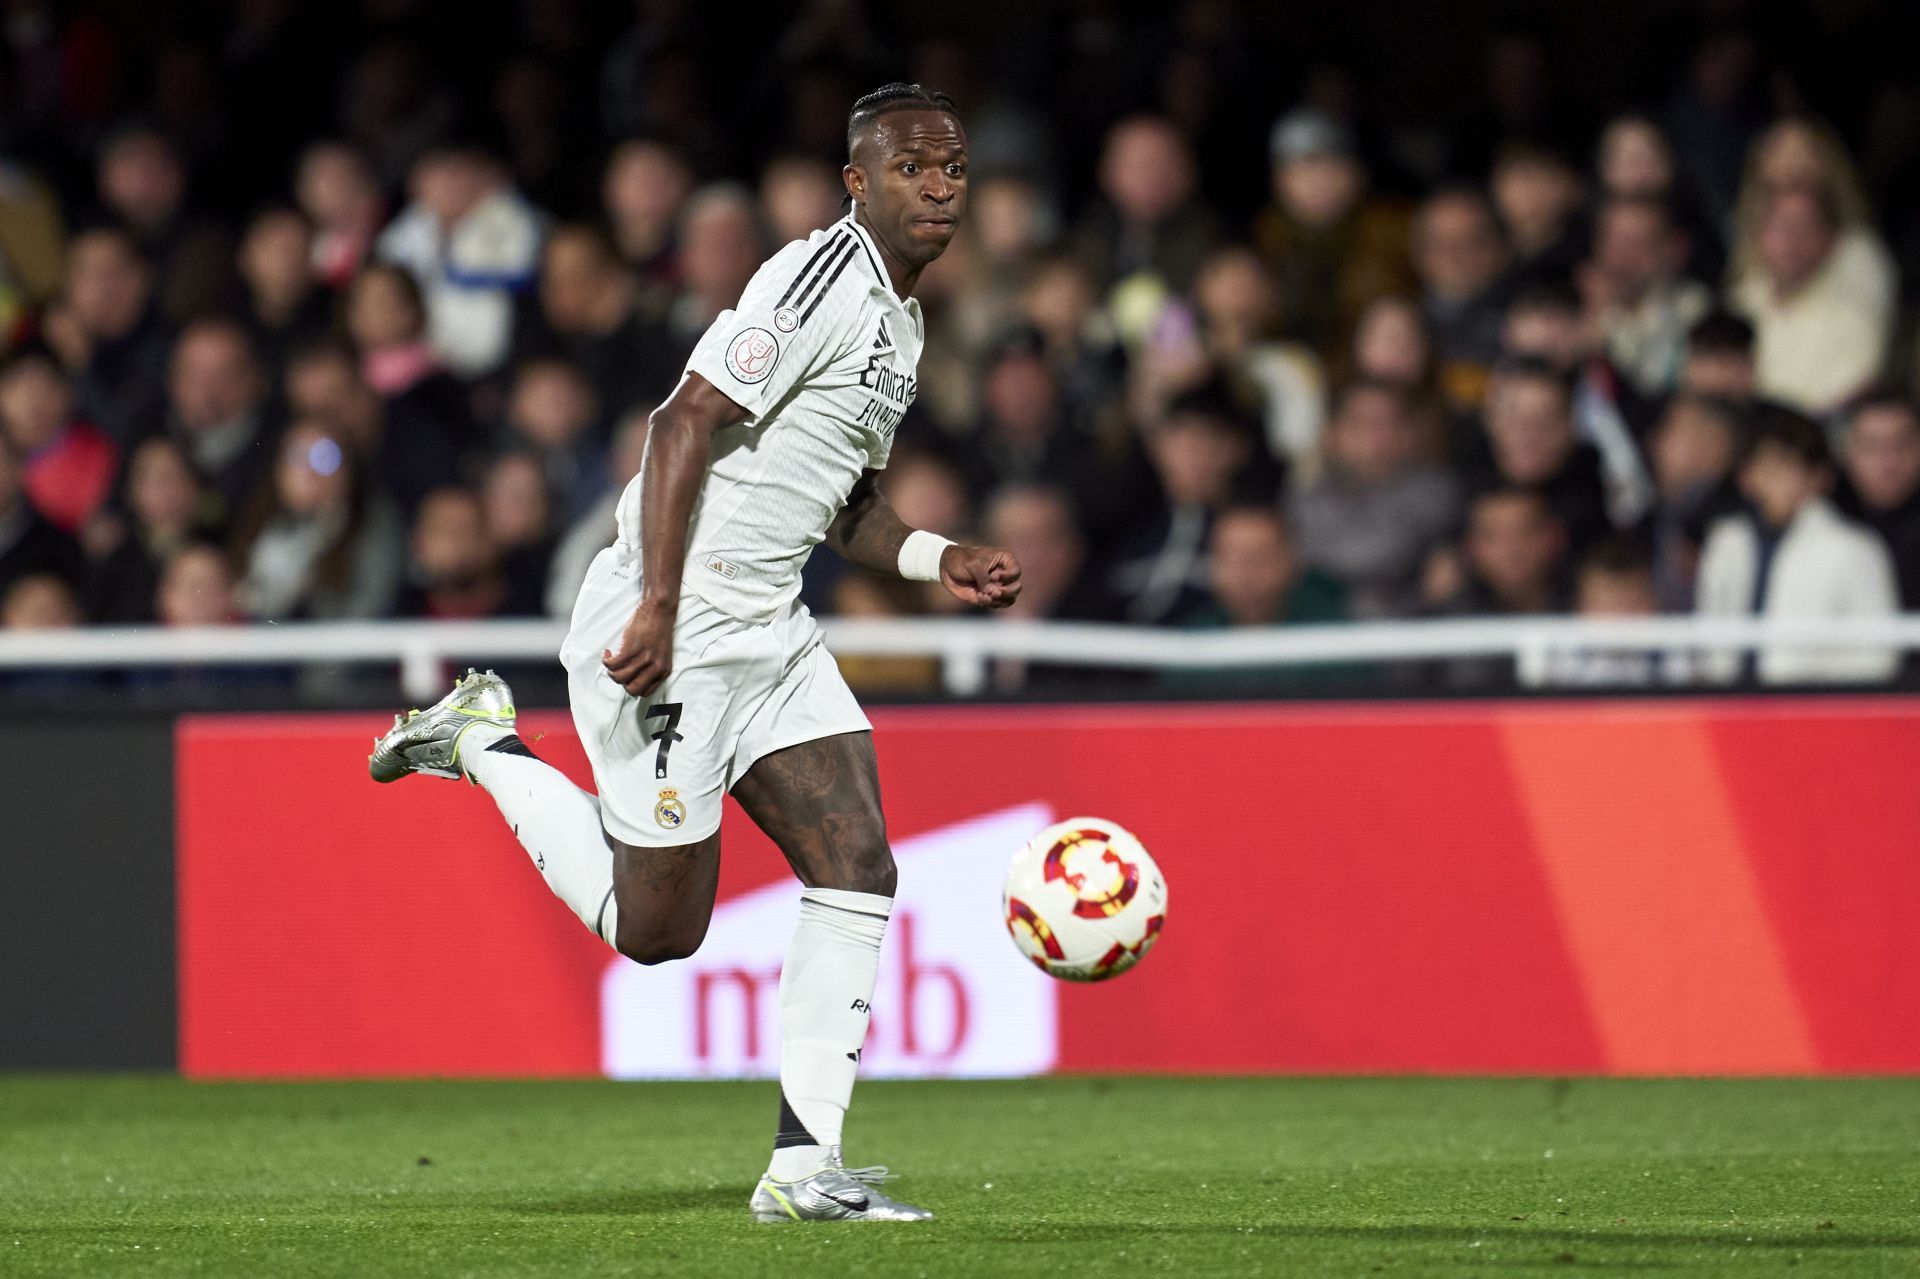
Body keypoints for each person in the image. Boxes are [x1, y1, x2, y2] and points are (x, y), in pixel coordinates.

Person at [370, 84, 1018, 1224]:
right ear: (858, 182)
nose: (940, 185)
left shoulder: (903, 323)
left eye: (954, 166)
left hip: (767, 624)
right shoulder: (815, 280)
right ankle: (480, 742)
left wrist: (929, 556)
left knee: (859, 863)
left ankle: (804, 1171)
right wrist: (659, 605)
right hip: (675, 623)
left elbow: (835, 497)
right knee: (659, 932)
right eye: (913, 166)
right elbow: (680, 422)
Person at [1696, 405, 1898, 684]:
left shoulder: (1856, 548)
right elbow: (1709, 636)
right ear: (1747, 476)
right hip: (1729, 710)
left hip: (1814, 711)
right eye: (1770, 467)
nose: (1782, 481)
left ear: (1821, 478)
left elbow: (1877, 656)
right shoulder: (1726, 541)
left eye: (1793, 468)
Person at [1835, 391, 1920, 610]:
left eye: (1902, 444)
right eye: (1872, 446)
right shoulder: (1824, 518)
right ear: (1848, 452)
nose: (1889, 461)